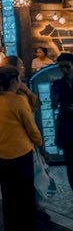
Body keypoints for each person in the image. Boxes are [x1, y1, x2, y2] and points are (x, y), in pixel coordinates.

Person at [0, 66, 42, 231]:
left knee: (9, 195)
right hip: (21, 152)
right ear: (14, 80)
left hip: (2, 152)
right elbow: (32, 128)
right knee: (25, 197)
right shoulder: (18, 101)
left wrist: (24, 90)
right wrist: (40, 144)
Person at [53, 53, 73, 190]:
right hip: (67, 129)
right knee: (71, 165)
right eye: (61, 68)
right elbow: (54, 105)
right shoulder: (58, 84)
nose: (64, 70)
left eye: (67, 67)